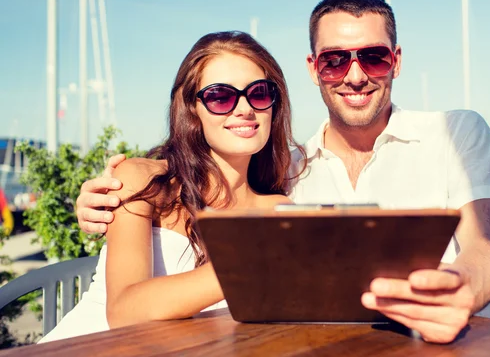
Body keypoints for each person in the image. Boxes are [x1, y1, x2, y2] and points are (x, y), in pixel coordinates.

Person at [75, 0, 490, 344]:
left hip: (472, 340)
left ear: (396, 61)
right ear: (313, 68)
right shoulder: (294, 173)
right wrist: (101, 201)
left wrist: (458, 292)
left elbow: (487, 245)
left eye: (374, 56)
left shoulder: (454, 133)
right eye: (334, 60)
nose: (355, 74)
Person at [39, 30, 303, 342]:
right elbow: (124, 313)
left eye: (259, 93)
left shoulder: (278, 208)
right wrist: (247, 265)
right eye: (221, 96)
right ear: (192, 109)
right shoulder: (143, 179)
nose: (245, 108)